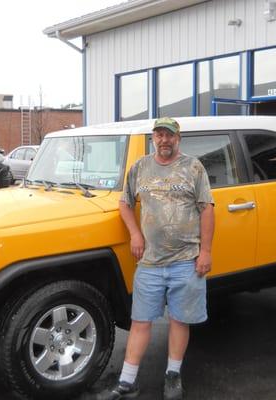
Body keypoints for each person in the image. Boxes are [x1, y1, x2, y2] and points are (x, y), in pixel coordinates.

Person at [98, 117, 215, 400]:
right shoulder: (140, 167)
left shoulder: (193, 167)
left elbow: (207, 209)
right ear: (153, 137)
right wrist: (135, 234)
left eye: (169, 135)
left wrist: (207, 251)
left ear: (178, 138)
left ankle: (172, 374)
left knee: (179, 320)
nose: (164, 140)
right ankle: (127, 382)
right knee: (140, 321)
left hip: (186, 260)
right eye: (159, 134)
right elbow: (125, 203)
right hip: (150, 262)